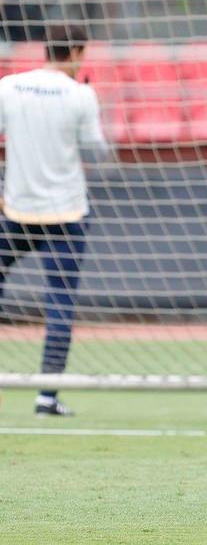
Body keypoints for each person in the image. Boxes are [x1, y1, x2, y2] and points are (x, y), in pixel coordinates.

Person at [0, 25, 109, 416]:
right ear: (77, 51)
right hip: (66, 213)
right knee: (60, 302)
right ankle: (47, 396)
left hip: (16, 209)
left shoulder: (10, 87)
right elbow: (96, 148)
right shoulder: (80, 94)